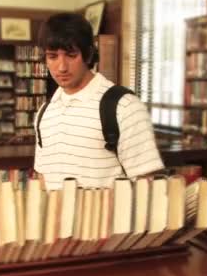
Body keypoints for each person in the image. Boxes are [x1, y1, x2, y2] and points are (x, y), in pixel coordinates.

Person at [34, 12, 164, 191]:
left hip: (110, 218)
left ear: (88, 54)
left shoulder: (124, 106)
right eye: (53, 56)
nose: (62, 67)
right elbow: (43, 179)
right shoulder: (44, 113)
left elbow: (146, 186)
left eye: (71, 55)